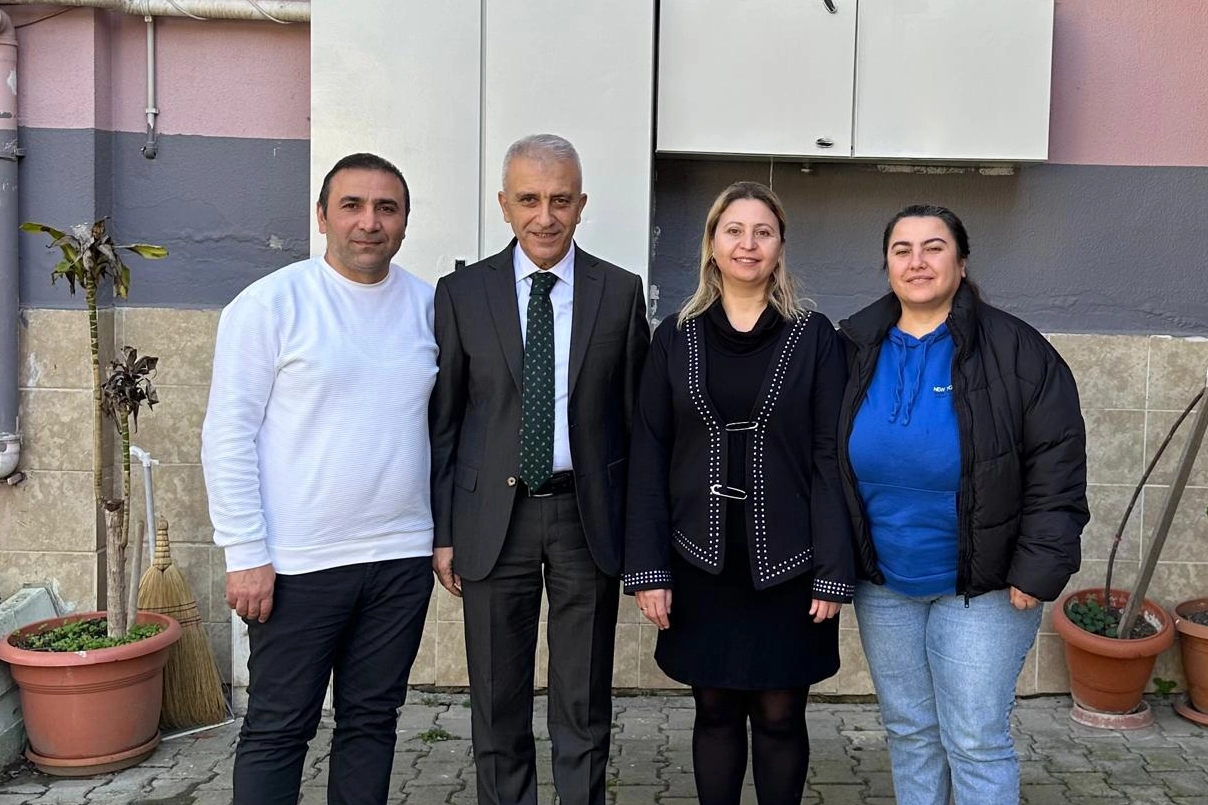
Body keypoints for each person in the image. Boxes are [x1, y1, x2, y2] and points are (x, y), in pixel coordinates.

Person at [201, 153, 437, 805]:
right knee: (279, 728)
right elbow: (227, 434)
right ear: (322, 217)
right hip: (297, 564)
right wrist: (245, 551)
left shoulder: (428, 307)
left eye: (386, 208)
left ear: (405, 221)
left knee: (372, 723)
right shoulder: (270, 305)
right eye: (352, 206)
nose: (369, 222)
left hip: (400, 559)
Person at [837, 204, 1088, 805]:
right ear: (887, 264)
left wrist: (1037, 566)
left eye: (934, 247)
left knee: (974, 739)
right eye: (902, 249)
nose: (917, 262)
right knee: (910, 732)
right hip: (884, 583)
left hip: (986, 586)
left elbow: (1056, 465)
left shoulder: (1017, 350)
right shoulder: (852, 345)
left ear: (962, 261)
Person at [429, 133, 650, 805]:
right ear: (504, 204)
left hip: (588, 518)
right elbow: (445, 423)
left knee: (583, 701)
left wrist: (641, 535)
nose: (545, 216)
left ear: (582, 204)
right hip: (493, 521)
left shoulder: (620, 292)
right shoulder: (462, 293)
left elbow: (637, 424)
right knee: (497, 702)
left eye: (560, 199)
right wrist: (444, 532)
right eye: (529, 199)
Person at [624, 181, 854, 805]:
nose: (747, 244)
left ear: (780, 247)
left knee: (781, 715)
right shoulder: (676, 335)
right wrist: (648, 568)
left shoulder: (814, 337)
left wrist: (834, 570)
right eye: (734, 230)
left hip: (791, 562)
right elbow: (649, 454)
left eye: (762, 232)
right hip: (700, 560)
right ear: (712, 243)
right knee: (715, 710)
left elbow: (831, 458)